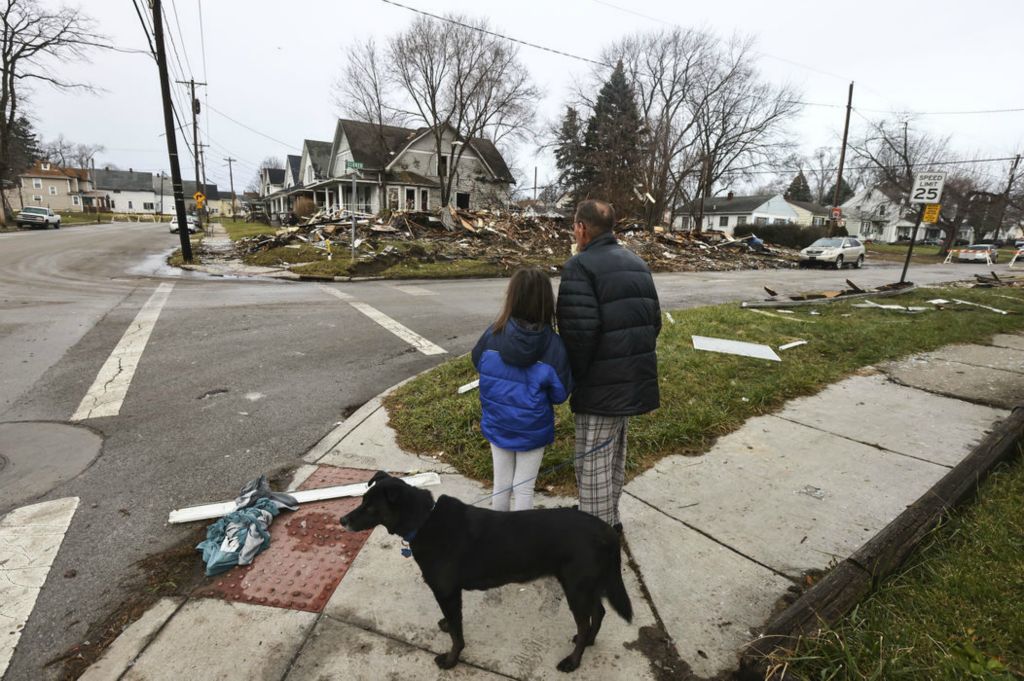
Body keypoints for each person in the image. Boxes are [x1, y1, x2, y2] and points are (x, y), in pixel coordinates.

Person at [556, 200, 661, 532]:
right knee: (614, 456)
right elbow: (654, 322)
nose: (574, 231)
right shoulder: (637, 263)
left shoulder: (580, 267)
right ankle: (609, 517)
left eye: (575, 225)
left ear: (582, 228)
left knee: (592, 461)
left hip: (599, 385)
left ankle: (596, 534)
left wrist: (575, 378)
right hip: (632, 380)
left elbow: (578, 335)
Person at [472, 267, 573, 512]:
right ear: (546, 302)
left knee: (501, 484)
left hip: (497, 422)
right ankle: (522, 544)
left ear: (512, 297)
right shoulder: (554, 345)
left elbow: (478, 362)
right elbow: (560, 394)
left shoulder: (492, 334)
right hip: (533, 428)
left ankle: (498, 537)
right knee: (524, 487)